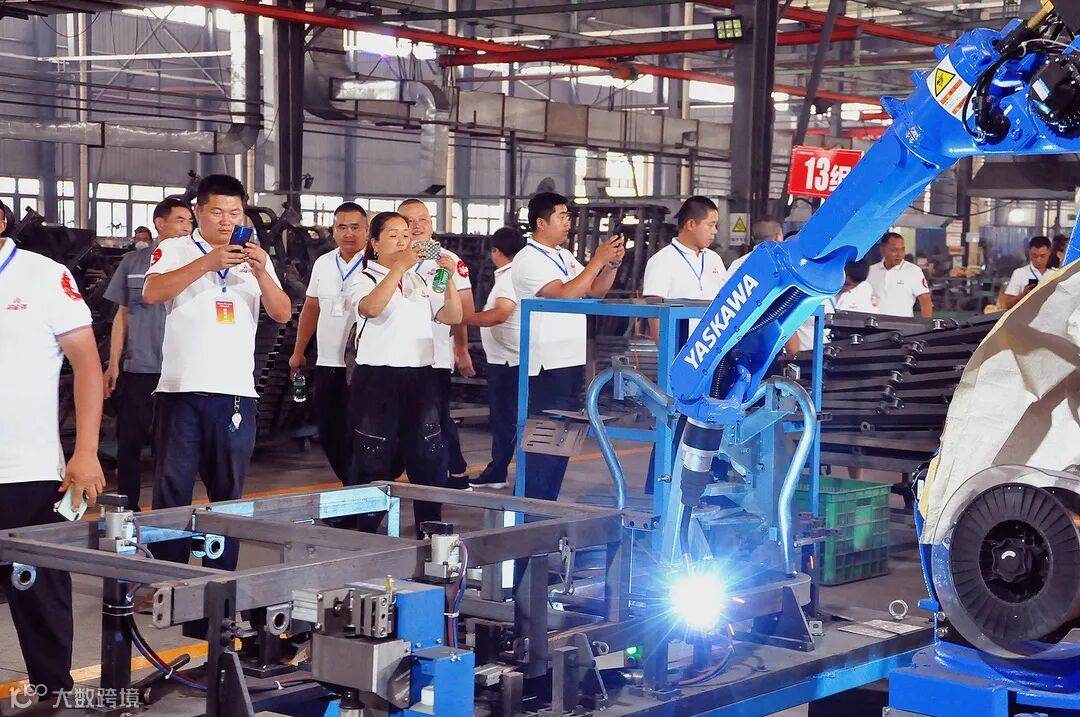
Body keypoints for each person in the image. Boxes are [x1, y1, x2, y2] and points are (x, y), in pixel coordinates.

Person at [143, 174, 291, 570]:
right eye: (218, 212)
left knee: (228, 494)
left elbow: (281, 312)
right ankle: (166, 575)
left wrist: (261, 272)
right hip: (180, 391)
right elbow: (152, 293)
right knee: (172, 490)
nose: (227, 221)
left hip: (235, 394)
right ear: (198, 212)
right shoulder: (174, 248)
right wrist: (206, 263)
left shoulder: (255, 257)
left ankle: (220, 580)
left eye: (235, 213)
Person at [0, 202, 106, 699]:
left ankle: (53, 695)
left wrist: (86, 452)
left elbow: (86, 366)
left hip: (26, 470)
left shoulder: (43, 276)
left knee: (39, 596)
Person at [347, 212, 463, 534]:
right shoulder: (364, 278)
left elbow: (452, 316)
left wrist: (449, 280)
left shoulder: (420, 281)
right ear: (374, 243)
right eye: (394, 235)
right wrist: (398, 267)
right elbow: (371, 308)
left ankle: (430, 528)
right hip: (378, 380)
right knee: (373, 456)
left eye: (406, 236)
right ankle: (364, 530)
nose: (402, 241)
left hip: (421, 378)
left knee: (428, 454)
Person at [511, 192, 625, 501]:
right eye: (561, 217)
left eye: (568, 216)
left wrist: (610, 265)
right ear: (540, 222)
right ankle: (531, 507)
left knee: (564, 438)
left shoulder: (563, 256)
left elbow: (594, 290)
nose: (567, 223)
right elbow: (564, 295)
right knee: (544, 440)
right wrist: (597, 260)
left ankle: (547, 504)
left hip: (570, 360)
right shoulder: (528, 259)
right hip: (546, 365)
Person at [103, 197, 194, 510]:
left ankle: (166, 510)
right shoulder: (133, 263)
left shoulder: (197, 262)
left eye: (190, 221)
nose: (187, 227)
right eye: (181, 220)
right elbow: (122, 316)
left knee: (169, 446)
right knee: (129, 442)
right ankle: (126, 508)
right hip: (140, 369)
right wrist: (113, 364)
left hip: (179, 373)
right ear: (160, 223)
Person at [288, 202, 368, 482]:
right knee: (330, 429)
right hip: (327, 363)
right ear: (333, 230)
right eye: (342, 227)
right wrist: (299, 351)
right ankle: (350, 484)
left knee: (359, 430)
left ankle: (360, 489)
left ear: (367, 230)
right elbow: (312, 307)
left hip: (361, 366)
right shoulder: (323, 263)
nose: (348, 233)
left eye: (355, 227)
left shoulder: (377, 263)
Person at [398, 199, 473, 489]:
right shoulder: (391, 259)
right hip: (395, 358)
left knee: (435, 423)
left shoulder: (448, 261)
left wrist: (461, 348)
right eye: (408, 220)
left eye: (422, 220)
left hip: (435, 357)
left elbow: (464, 311)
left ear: (431, 224)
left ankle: (439, 483)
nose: (416, 226)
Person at [466, 227, 527, 490]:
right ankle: (499, 471)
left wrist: (462, 318)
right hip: (508, 359)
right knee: (506, 419)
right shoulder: (514, 274)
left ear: (496, 251)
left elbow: (500, 314)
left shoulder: (509, 278)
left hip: (508, 362)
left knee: (505, 420)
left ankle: (498, 471)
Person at [642, 196, 726, 339]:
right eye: (711, 225)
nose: (715, 231)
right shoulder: (662, 261)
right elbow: (655, 316)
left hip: (715, 346)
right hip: (680, 348)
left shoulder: (714, 259)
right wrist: (668, 350)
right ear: (691, 224)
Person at [790, 258, 878, 353]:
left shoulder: (865, 290)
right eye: (846, 283)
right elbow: (788, 323)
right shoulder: (808, 287)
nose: (848, 288)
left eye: (853, 286)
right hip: (806, 356)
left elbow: (873, 325)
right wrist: (795, 356)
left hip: (845, 357)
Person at [867, 232, 933, 318]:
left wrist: (927, 323)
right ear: (882, 249)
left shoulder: (913, 271)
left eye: (902, 249)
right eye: (894, 250)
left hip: (903, 324)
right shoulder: (870, 271)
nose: (899, 254)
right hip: (875, 323)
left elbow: (925, 300)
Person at [1004, 235, 1053, 308]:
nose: (1038, 260)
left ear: (1049, 252)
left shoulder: (1056, 273)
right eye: (1034, 256)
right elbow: (1008, 304)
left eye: (1042, 256)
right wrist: (1023, 295)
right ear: (1029, 253)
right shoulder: (1019, 273)